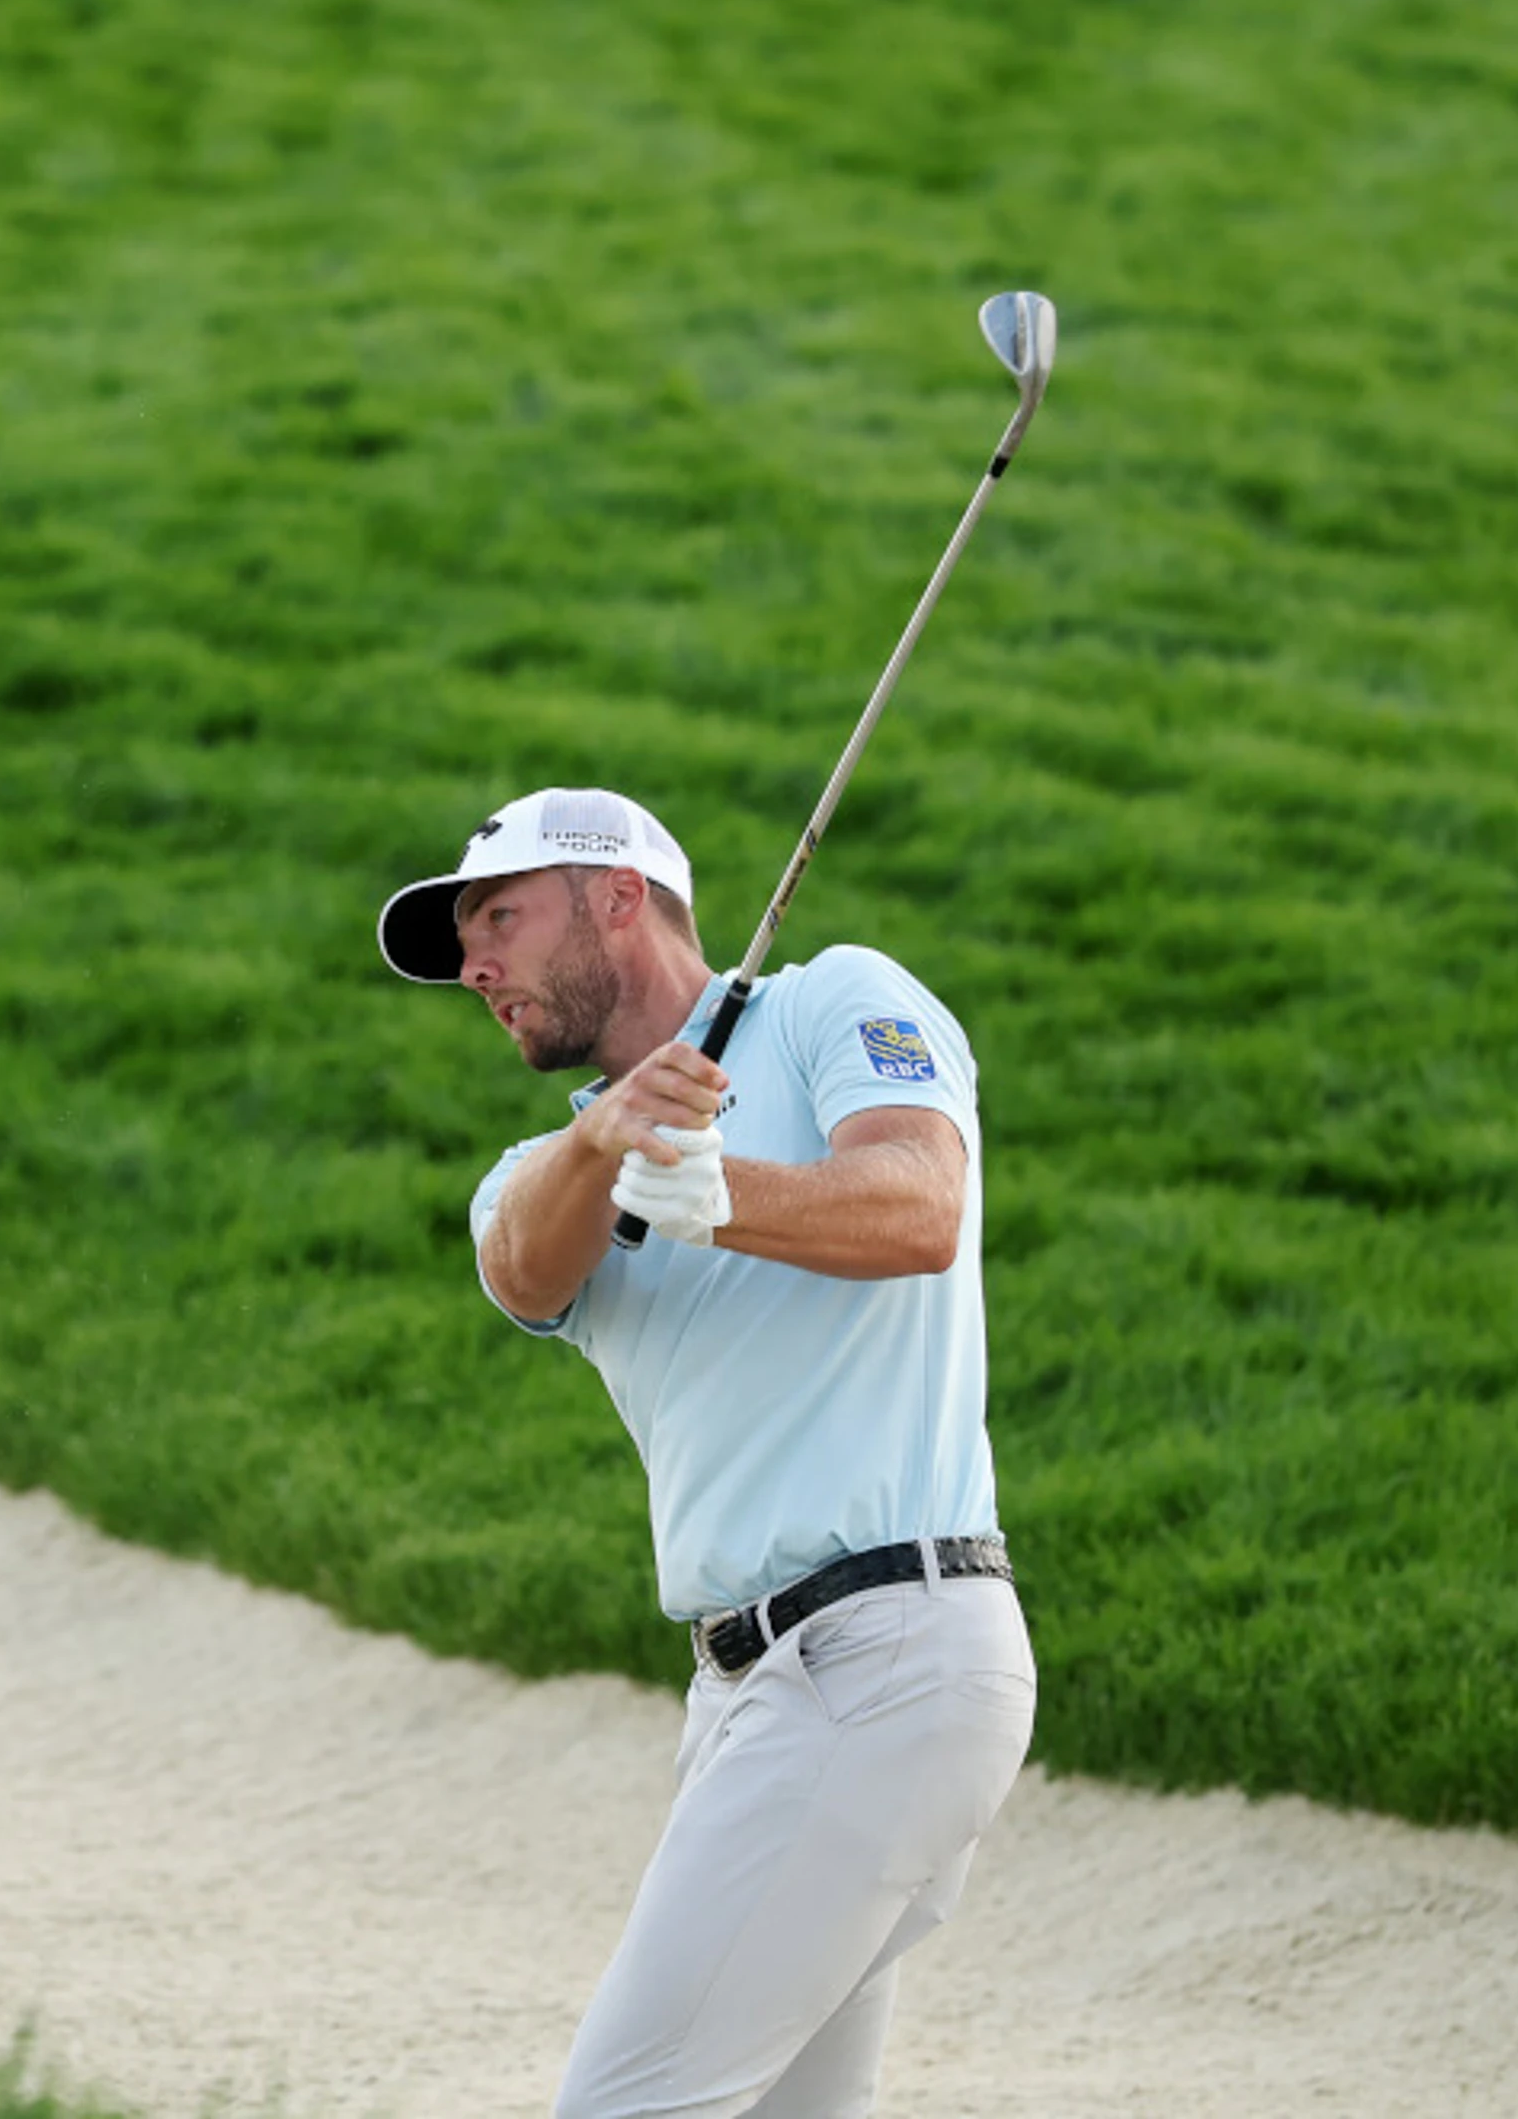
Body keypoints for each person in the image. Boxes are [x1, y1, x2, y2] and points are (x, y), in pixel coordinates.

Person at [375, 786, 1035, 2119]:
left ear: (618, 897)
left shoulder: (832, 1003)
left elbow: (920, 1206)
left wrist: (726, 1192)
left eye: (498, 917)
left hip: (891, 1648)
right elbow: (522, 1264)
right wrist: (608, 1138)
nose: (476, 965)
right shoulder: (537, 1171)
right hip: (744, 1698)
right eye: (461, 946)